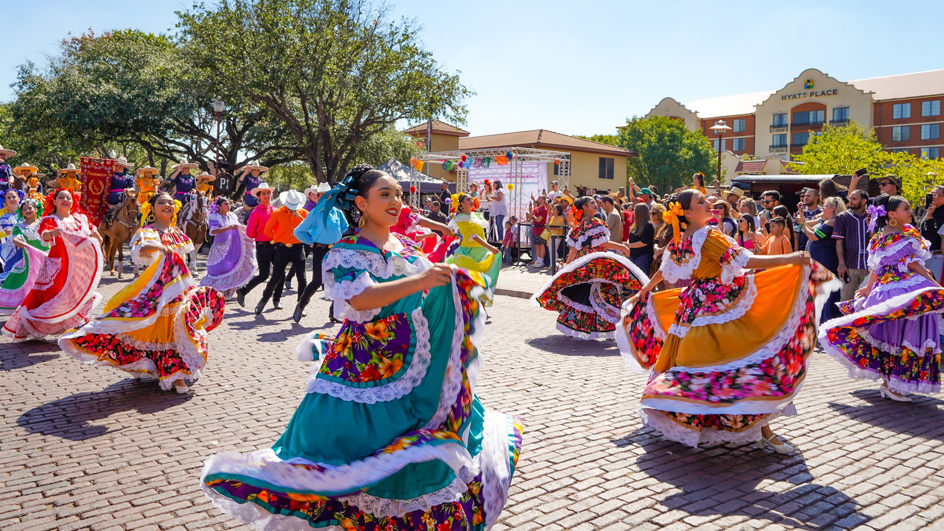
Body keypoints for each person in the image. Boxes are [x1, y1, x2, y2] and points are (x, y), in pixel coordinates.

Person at [205, 164, 524, 531]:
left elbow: (426, 285)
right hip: (362, 371)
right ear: (361, 202)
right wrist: (421, 279)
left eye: (398, 195)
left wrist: (451, 282)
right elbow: (359, 299)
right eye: (384, 194)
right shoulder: (347, 251)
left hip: (412, 366)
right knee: (345, 457)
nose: (395, 201)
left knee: (425, 444)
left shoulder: (402, 246)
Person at [617, 189, 835, 452]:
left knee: (716, 363)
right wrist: (793, 258)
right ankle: (759, 428)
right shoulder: (707, 236)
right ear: (687, 212)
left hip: (695, 306)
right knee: (739, 359)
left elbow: (666, 269)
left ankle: (747, 426)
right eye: (701, 201)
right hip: (715, 305)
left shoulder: (682, 238)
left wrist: (646, 289)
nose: (708, 203)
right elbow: (746, 260)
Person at [59, 192, 225, 394]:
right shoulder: (147, 231)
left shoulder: (179, 234)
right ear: (152, 209)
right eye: (161, 202)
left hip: (179, 290)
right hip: (155, 292)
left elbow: (183, 262)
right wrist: (159, 247)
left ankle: (176, 372)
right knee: (153, 331)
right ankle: (165, 370)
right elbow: (143, 249)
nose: (167, 205)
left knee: (176, 329)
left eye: (170, 203)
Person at [819, 194, 943, 402]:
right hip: (901, 287)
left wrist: (869, 287)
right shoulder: (902, 236)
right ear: (892, 214)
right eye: (906, 208)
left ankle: (891, 383)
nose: (910, 211)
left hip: (887, 288)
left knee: (893, 335)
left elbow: (876, 266)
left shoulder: (885, 235)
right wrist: (935, 285)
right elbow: (911, 264)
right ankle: (892, 384)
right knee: (904, 334)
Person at [531, 197, 647, 340]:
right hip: (595, 263)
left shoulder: (580, 226)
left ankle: (572, 325)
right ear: (585, 207)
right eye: (592, 203)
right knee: (607, 291)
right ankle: (608, 329)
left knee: (583, 292)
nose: (596, 204)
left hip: (585, 263)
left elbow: (575, 249)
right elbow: (601, 244)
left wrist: (569, 264)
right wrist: (621, 246)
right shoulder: (594, 223)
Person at [2, 189, 103, 341]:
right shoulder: (49, 220)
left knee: (84, 295)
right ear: (54, 202)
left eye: (68, 198)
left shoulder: (81, 219)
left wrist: (91, 249)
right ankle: (35, 326)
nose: (65, 200)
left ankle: (75, 327)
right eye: (61, 197)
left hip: (79, 267)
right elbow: (44, 236)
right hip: (58, 266)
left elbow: (98, 239)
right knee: (51, 298)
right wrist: (54, 232)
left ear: (73, 201)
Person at [292, 183, 346, 323]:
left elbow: (345, 227)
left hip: (335, 250)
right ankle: (301, 305)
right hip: (320, 250)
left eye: (329, 195)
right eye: (323, 195)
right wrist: (310, 241)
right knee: (317, 280)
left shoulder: (337, 213)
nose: (327, 198)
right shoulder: (314, 213)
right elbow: (298, 231)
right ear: (319, 197)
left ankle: (334, 313)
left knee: (340, 281)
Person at [254, 190, 308, 314]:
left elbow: (311, 229)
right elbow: (267, 230)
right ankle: (263, 300)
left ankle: (301, 305)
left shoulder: (304, 213)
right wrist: (278, 238)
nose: (292, 209)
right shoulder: (278, 213)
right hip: (282, 249)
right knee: (275, 278)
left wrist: (300, 218)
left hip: (298, 248)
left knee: (302, 278)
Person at [446, 193, 502, 304]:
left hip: (482, 252)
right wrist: (491, 247)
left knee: (483, 280)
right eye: (468, 199)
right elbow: (473, 236)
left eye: (472, 198)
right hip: (469, 254)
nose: (472, 200)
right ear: (462, 204)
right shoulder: (460, 218)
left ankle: (481, 307)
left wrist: (488, 249)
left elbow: (482, 235)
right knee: (471, 282)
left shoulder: (477, 216)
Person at [236, 182, 282, 307]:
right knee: (264, 275)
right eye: (264, 194)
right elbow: (250, 233)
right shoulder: (256, 212)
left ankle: (276, 300)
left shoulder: (276, 211)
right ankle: (243, 290)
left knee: (280, 273)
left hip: (276, 245)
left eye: (268, 193)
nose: (267, 196)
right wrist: (261, 233)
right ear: (259, 197)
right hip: (262, 246)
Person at [201, 196, 256, 299]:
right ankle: (217, 289)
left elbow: (237, 226)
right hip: (220, 246)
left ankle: (229, 289)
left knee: (232, 266)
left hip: (232, 245)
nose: (229, 206)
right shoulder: (214, 216)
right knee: (218, 268)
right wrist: (228, 228)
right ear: (220, 207)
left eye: (229, 204)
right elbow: (213, 232)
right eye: (226, 204)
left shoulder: (232, 215)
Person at [0, 198, 49, 313]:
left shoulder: (45, 222)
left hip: (48, 257)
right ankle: (32, 308)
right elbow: (15, 238)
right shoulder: (20, 226)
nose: (27, 210)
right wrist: (17, 240)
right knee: (32, 283)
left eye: (30, 208)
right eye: (24, 209)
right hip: (31, 260)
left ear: (36, 209)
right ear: (21, 212)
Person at [802, 196, 845, 322]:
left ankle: (828, 320)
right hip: (822, 259)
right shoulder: (828, 221)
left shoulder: (831, 222)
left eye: (825, 206)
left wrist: (802, 224)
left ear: (832, 208)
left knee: (827, 292)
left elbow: (813, 236)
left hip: (826, 260)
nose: (823, 208)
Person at [834, 190, 872, 301]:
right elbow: (839, 241)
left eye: (854, 199)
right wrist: (841, 263)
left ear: (864, 201)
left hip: (869, 268)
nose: (850, 201)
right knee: (847, 301)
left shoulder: (873, 217)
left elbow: (877, 239)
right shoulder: (842, 217)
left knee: (868, 301)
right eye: (850, 198)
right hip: (850, 267)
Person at [921, 185, 944, 281]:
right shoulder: (929, 209)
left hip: (937, 257)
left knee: (936, 287)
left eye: (935, 194)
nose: (932, 196)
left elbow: (934, 237)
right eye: (931, 194)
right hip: (925, 256)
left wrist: (930, 217)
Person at [626, 202, 655, 275]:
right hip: (633, 255)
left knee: (641, 278)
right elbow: (631, 237)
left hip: (642, 256)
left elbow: (644, 242)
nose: (633, 212)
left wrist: (629, 245)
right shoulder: (635, 224)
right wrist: (626, 244)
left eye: (634, 210)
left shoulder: (648, 225)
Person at [0, 189, 24, 274]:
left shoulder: (26, 213)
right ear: (5, 200)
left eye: (14, 197)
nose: (12, 199)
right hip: (12, 247)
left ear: (18, 198)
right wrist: (23, 233)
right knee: (12, 271)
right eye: (8, 197)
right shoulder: (4, 216)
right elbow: (7, 231)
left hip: (28, 244)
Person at [528, 196, 548, 267]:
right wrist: (530, 210)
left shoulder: (544, 209)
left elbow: (539, 219)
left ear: (543, 200)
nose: (537, 199)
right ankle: (538, 261)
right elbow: (531, 218)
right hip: (535, 229)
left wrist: (533, 217)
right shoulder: (536, 208)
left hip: (541, 230)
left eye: (539, 198)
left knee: (541, 246)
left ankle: (541, 261)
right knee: (536, 245)